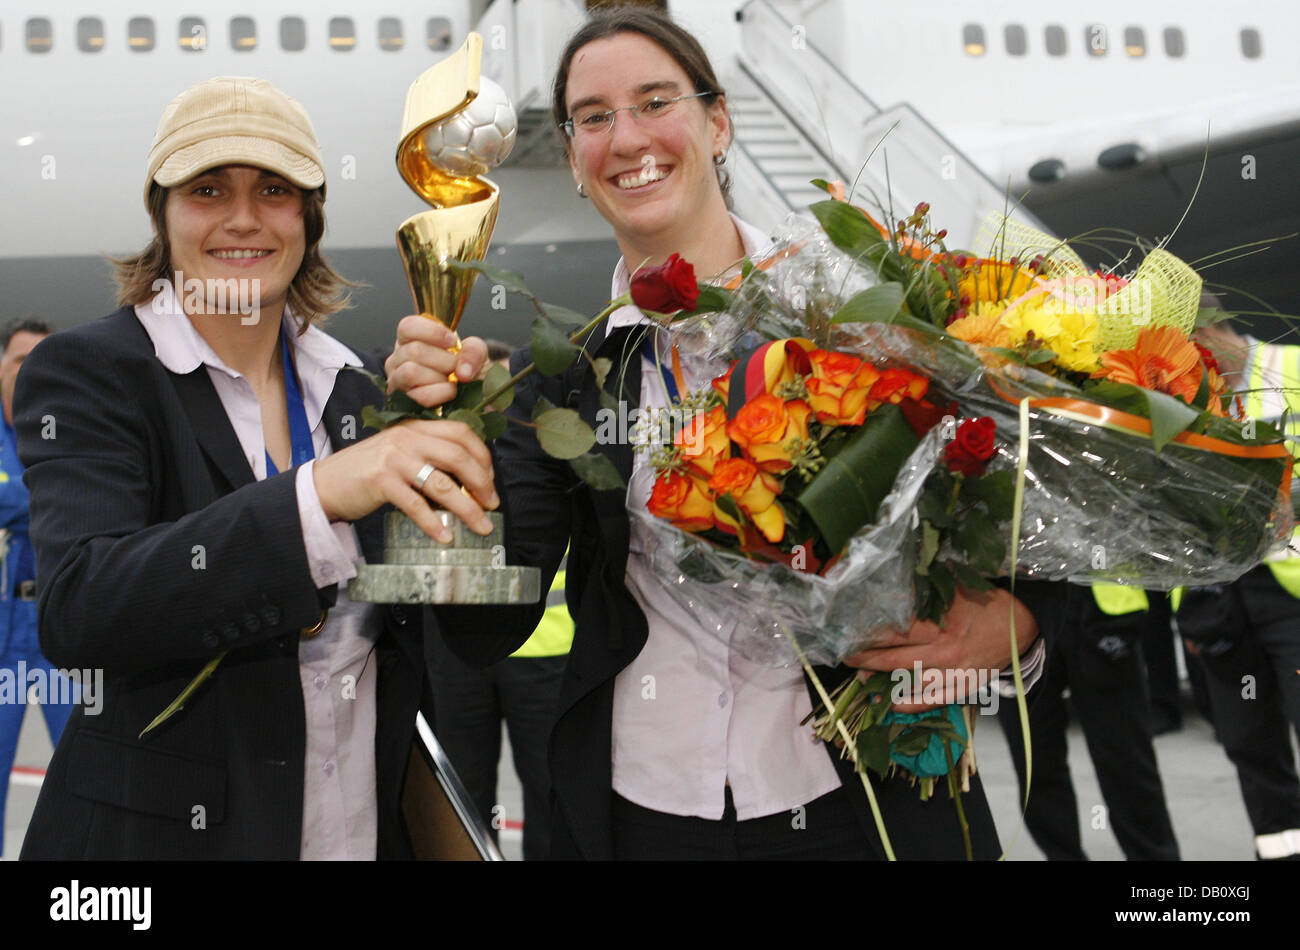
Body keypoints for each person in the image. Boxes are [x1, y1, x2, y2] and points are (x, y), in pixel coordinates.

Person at [419, 7, 1060, 860]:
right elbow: (478, 620)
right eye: (595, 117)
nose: (627, 136)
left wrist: (1018, 626)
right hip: (644, 815)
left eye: (655, 101)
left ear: (717, 121)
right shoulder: (567, 384)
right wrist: (434, 435)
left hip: (860, 805)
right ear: (574, 157)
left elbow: (1027, 522)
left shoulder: (861, 319)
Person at [15, 77, 495, 859]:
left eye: (275, 189)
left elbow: (473, 624)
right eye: (208, 189)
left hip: (357, 832)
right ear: (162, 216)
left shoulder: (361, 389)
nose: (244, 217)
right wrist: (320, 496)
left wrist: (472, 437)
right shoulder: (91, 371)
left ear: (308, 217)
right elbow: (80, 605)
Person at [429, 340, 574, 860]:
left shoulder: (545, 448)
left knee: (548, 790)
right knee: (462, 791)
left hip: (544, 650)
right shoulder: (442, 446)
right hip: (459, 657)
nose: (493, 396)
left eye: (502, 383)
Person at [1175, 322, 1300, 861]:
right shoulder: (1172, 390)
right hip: (1218, 596)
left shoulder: (1289, 368)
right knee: (1249, 741)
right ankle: (1281, 851)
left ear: (1211, 329)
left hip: (1290, 590)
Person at [995, 584, 1181, 860]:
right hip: (1014, 609)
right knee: (1035, 761)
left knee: (1127, 759)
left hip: (1100, 602)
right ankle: (1062, 855)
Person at [0, 317, 78, 857]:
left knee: (84, 765)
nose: (30, 371)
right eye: (19, 360)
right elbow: (57, 505)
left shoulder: (75, 429)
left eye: (41, 360)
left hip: (60, 626)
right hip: (3, 632)